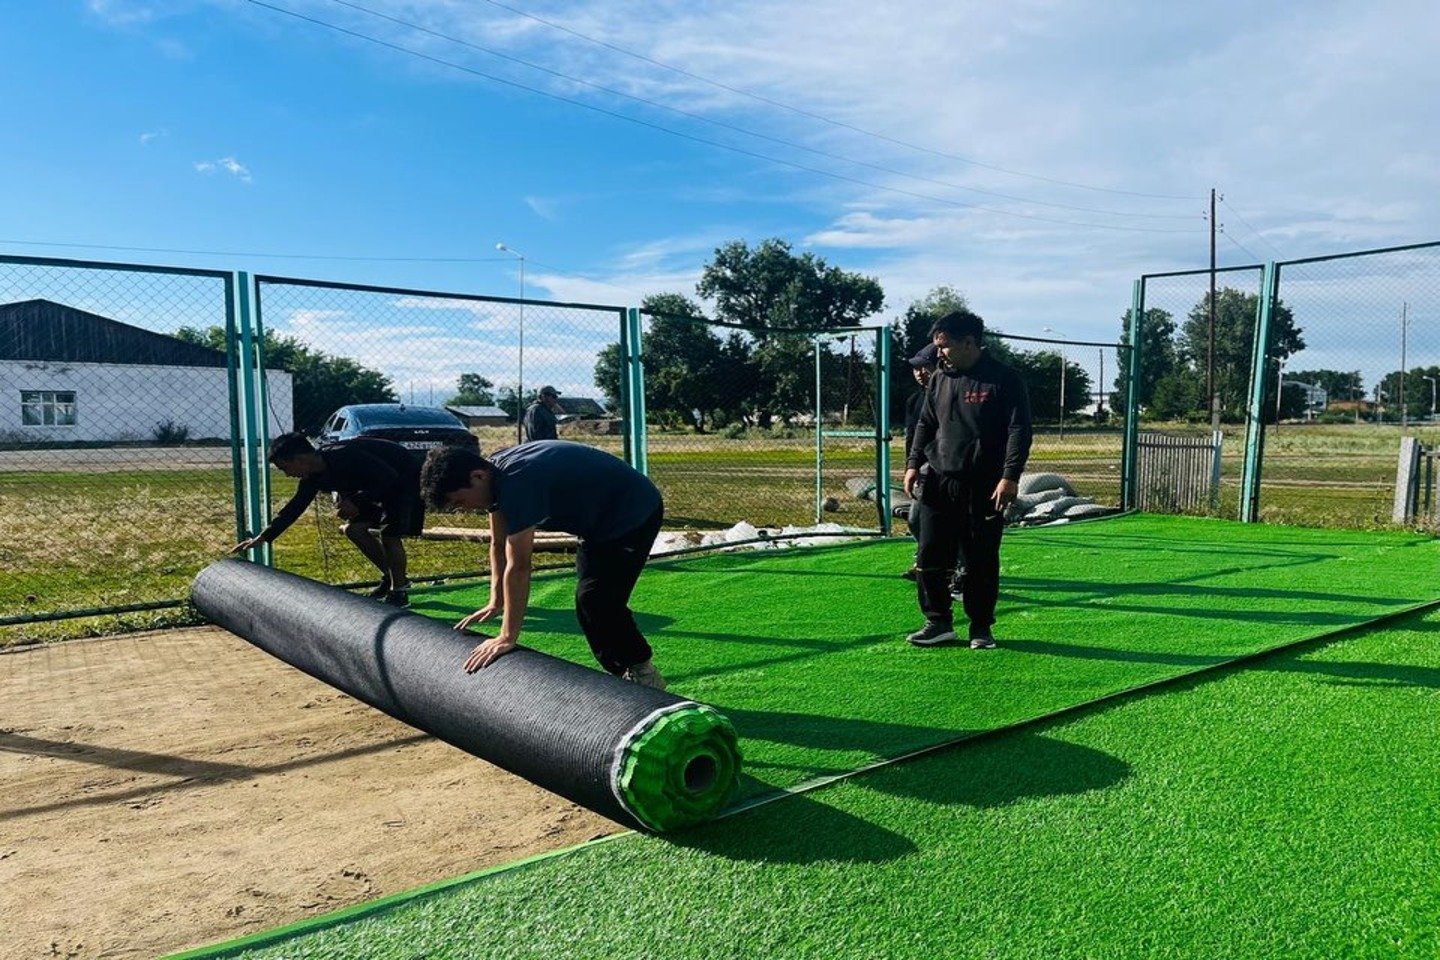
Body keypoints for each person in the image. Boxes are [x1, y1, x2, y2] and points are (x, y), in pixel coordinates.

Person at [419, 440, 668, 689]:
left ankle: (642, 672)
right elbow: (498, 543)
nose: (465, 509)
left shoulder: (518, 482)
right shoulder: (495, 476)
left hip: (633, 512)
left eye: (460, 501)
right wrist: (496, 600)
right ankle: (625, 677)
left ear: (478, 476)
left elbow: (520, 567)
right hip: (597, 521)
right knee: (589, 606)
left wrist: (507, 636)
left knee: (597, 600)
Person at [903, 309, 1031, 649]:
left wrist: (1010, 476)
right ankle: (938, 622)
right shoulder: (940, 380)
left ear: (970, 342)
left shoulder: (1004, 379)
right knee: (929, 553)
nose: (939, 353)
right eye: (937, 346)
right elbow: (925, 425)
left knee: (980, 558)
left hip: (985, 484)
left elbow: (1020, 430)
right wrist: (913, 463)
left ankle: (980, 628)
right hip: (939, 479)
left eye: (944, 346)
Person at [232, 432, 425, 606]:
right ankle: (393, 577)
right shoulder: (313, 476)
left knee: (389, 535)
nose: (288, 475)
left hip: (405, 481)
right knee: (354, 530)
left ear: (300, 459)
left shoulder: (346, 455)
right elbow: (295, 506)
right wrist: (265, 537)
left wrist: (355, 500)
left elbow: (389, 477)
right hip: (378, 487)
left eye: (285, 468)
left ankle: (399, 592)